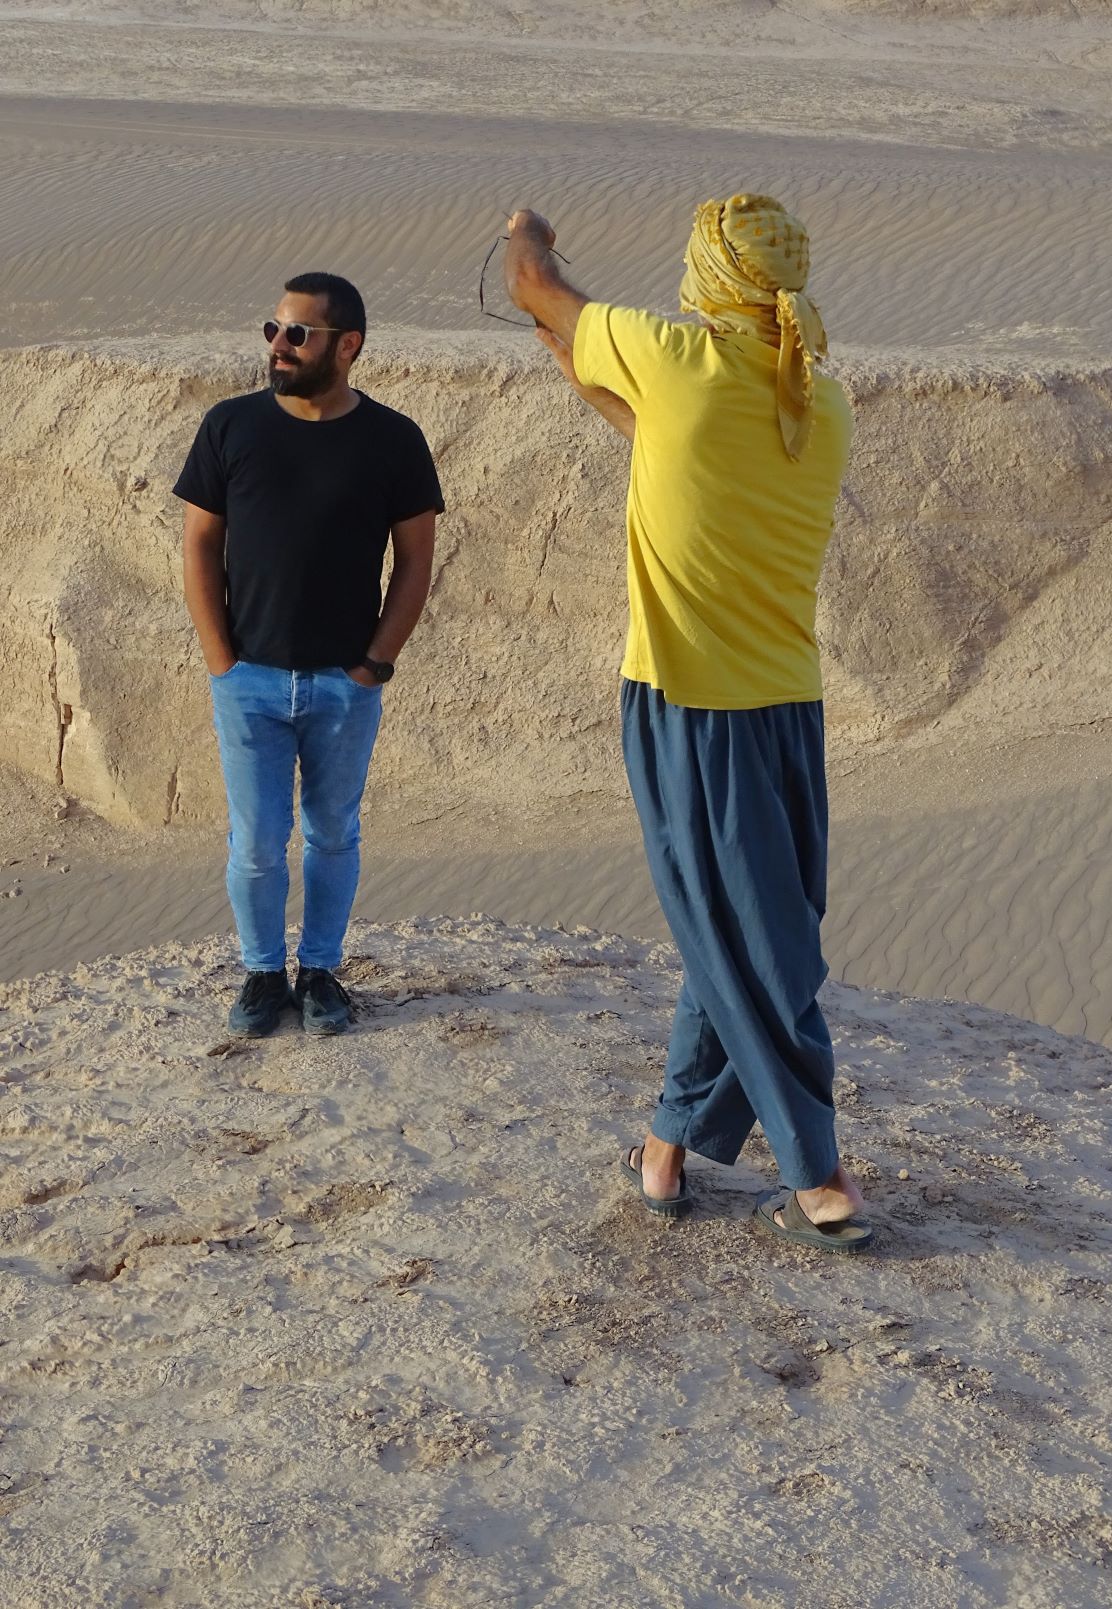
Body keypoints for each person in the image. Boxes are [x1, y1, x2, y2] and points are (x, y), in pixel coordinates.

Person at [504, 195, 871, 1254]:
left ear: (707, 278)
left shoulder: (673, 360)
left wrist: (528, 225)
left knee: (745, 938)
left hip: (687, 703)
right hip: (786, 705)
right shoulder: (820, 402)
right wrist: (578, 364)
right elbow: (651, 433)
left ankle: (815, 1173)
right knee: (748, 927)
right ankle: (669, 1148)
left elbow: (533, 281)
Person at [175, 272, 443, 1038]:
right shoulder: (230, 427)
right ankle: (263, 974)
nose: (278, 346)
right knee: (256, 841)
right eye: (273, 329)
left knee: (332, 833)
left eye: (298, 333)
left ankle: (320, 971)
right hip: (249, 679)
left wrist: (374, 664)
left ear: (347, 345)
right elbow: (199, 543)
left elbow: (416, 561)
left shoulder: (394, 439)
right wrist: (221, 658)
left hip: (343, 684)